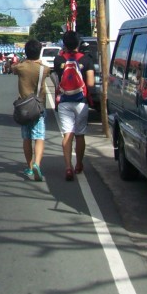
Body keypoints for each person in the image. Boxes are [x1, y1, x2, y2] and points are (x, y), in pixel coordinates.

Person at [53, 30, 96, 181]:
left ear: (64, 44)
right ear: (78, 43)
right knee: (80, 134)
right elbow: (90, 83)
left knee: (67, 134)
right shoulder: (86, 59)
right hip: (81, 101)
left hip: (64, 101)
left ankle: (68, 167)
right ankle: (78, 164)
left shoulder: (58, 60)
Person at [12, 40, 48, 181]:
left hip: (24, 108)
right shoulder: (44, 69)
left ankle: (30, 166)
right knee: (39, 137)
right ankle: (38, 164)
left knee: (26, 138)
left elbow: (13, 67)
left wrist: (24, 60)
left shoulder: (21, 67)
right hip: (38, 107)